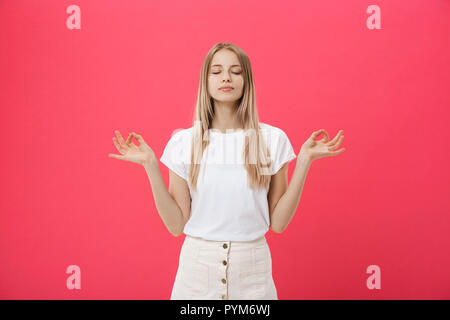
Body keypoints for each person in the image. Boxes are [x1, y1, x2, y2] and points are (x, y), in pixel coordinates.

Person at [108, 42, 346, 300]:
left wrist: (304, 162)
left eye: (235, 71)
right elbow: (177, 225)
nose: (226, 78)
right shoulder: (183, 143)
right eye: (217, 71)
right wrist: (150, 166)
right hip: (196, 274)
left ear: (246, 80)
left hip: (253, 272)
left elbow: (278, 223)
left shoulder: (272, 139)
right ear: (206, 81)